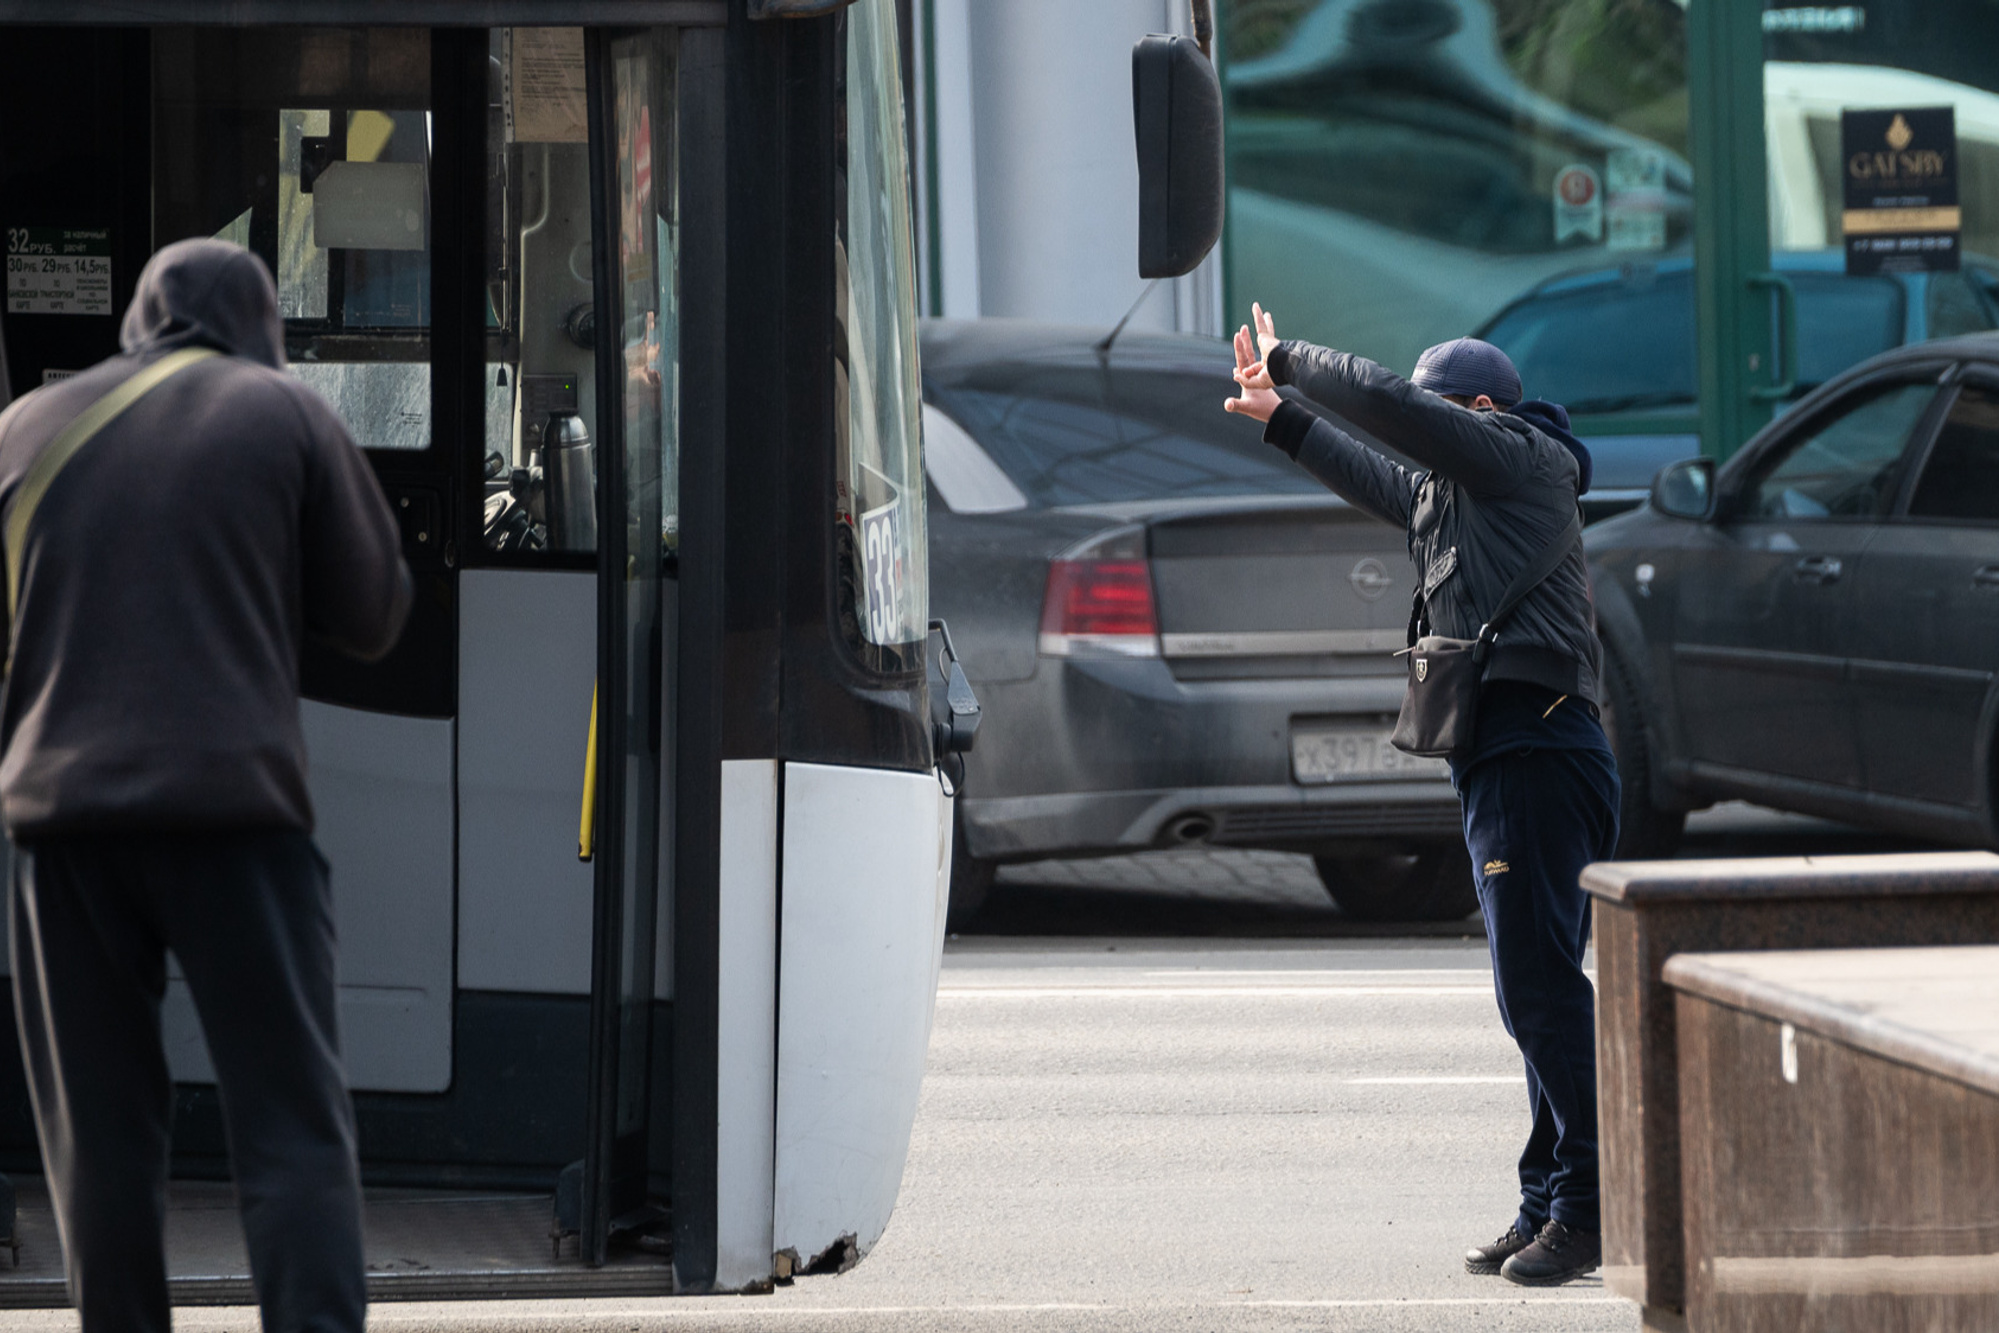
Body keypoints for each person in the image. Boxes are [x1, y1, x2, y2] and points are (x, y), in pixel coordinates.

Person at [0, 238, 411, 1331]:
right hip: (234, 814)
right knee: (289, 1126)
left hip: (62, 825)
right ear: (263, 326)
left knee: (101, 1140)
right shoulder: (282, 414)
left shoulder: (28, 429)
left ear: (140, 319)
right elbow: (375, 611)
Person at [1224, 304, 1618, 1287]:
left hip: (1539, 743)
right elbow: (1376, 470)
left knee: (1536, 991)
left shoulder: (1518, 459)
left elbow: (1392, 409)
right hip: (1501, 754)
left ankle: (1595, 1202)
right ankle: (1548, 1199)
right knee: (1533, 988)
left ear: (1480, 411)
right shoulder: (1453, 497)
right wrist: (1282, 416)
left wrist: (1291, 357)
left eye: (1444, 424)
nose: (1428, 446)